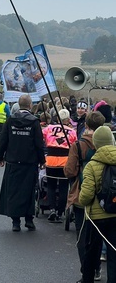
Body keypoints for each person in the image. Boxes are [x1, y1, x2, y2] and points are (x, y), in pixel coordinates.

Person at [64, 111, 105, 282]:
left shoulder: (78, 145)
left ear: (86, 125)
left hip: (82, 198)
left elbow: (69, 171)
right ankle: (96, 268)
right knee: (98, 236)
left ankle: (85, 272)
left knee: (82, 238)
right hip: (102, 198)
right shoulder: (106, 145)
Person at [0, 94, 45, 232]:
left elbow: (3, 140)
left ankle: (16, 222)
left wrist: (1, 157)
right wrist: (42, 161)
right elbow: (38, 144)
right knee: (29, 191)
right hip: (30, 163)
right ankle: (29, 220)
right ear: (30, 105)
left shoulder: (10, 120)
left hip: (13, 162)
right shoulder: (34, 122)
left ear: (18, 105)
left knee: (13, 191)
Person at [79, 126, 116, 283]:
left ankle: (88, 279)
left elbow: (86, 196)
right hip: (115, 215)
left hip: (95, 218)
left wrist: (81, 199)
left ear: (95, 143)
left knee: (91, 252)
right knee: (114, 254)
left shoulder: (92, 165)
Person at [42, 108, 77, 222]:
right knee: (63, 187)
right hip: (64, 162)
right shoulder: (72, 132)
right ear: (68, 119)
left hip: (51, 161)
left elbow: (42, 137)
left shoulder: (49, 128)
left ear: (57, 118)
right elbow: (74, 146)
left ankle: (51, 209)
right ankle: (60, 211)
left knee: (51, 186)